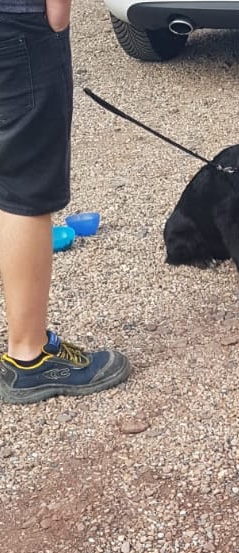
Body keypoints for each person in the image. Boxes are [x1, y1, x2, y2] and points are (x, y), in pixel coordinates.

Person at [0, 0, 130, 405]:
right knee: (25, 185)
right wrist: (57, 15)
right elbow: (56, 15)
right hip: (18, 23)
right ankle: (28, 355)